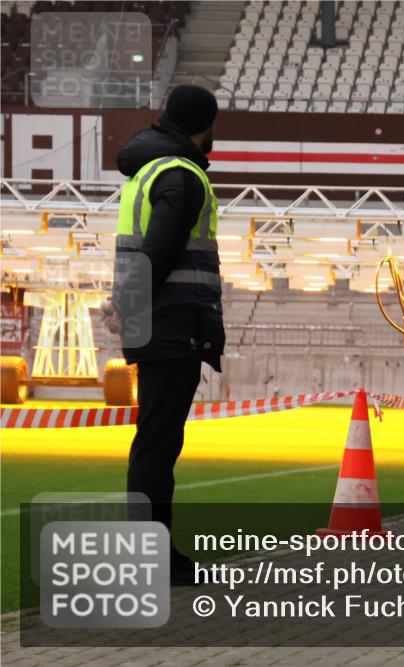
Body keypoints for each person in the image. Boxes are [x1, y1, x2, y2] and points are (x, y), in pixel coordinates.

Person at [101, 85, 224, 585]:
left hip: (156, 320)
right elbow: (164, 247)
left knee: (154, 438)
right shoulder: (183, 173)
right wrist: (128, 301)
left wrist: (126, 303)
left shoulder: (147, 169)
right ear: (206, 126)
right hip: (173, 321)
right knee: (158, 441)